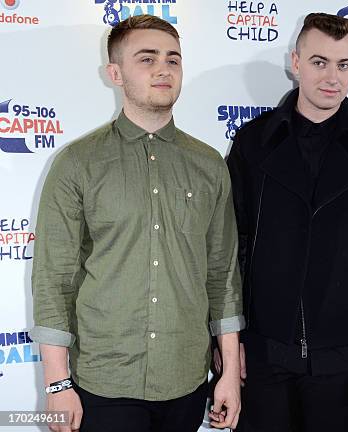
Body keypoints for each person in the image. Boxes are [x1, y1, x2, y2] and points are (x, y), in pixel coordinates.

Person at [30, 15, 243, 432]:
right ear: (115, 73)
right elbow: (53, 279)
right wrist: (57, 384)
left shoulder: (209, 166)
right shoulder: (77, 164)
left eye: (173, 60)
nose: (163, 69)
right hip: (103, 383)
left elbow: (223, 276)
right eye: (147, 59)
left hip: (185, 380)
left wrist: (230, 374)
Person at [226, 12, 348, 432]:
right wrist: (226, 338)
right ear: (296, 62)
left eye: (344, 65)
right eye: (319, 62)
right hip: (262, 352)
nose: (332, 77)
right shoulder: (253, 141)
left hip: (344, 354)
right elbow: (229, 246)